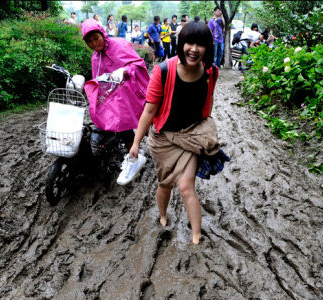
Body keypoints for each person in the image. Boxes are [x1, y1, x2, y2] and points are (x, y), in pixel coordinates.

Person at [129, 21, 230, 245]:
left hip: (191, 136)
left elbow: (209, 99)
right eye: (189, 43)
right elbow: (149, 110)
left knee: (186, 186)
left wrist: (204, 128)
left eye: (200, 44)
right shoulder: (163, 71)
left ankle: (196, 235)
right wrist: (136, 142)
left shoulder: (211, 71)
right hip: (163, 137)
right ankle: (163, 215)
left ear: (207, 48)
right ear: (181, 43)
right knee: (165, 183)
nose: (194, 49)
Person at [81, 19, 151, 185]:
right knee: (103, 119)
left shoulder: (119, 45)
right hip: (112, 93)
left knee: (123, 120)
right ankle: (121, 149)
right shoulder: (95, 57)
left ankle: (134, 155)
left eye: (96, 38)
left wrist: (124, 71)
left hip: (129, 88)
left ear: (102, 34)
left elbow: (138, 64)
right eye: (89, 41)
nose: (94, 43)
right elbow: (97, 78)